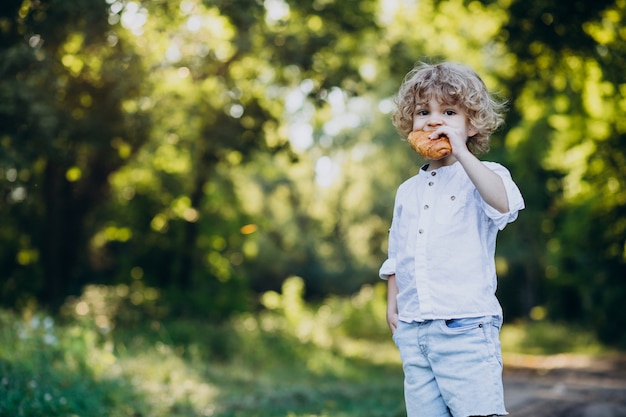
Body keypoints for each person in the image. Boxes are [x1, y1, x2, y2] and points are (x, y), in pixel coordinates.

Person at [379, 61, 525, 417]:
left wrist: (461, 152)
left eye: (448, 112)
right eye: (422, 112)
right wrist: (393, 304)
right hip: (415, 331)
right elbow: (398, 251)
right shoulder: (407, 191)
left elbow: (504, 204)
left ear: (471, 123)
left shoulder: (485, 175)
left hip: (466, 328)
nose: (433, 120)